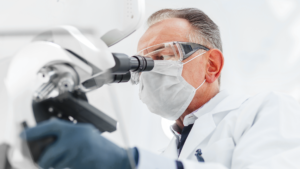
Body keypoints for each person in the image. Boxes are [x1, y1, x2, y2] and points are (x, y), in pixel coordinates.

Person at [22, 8, 300, 169]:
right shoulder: (165, 153)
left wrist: (126, 161)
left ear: (212, 65)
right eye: (142, 63)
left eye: (162, 56)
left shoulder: (267, 110)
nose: (147, 71)